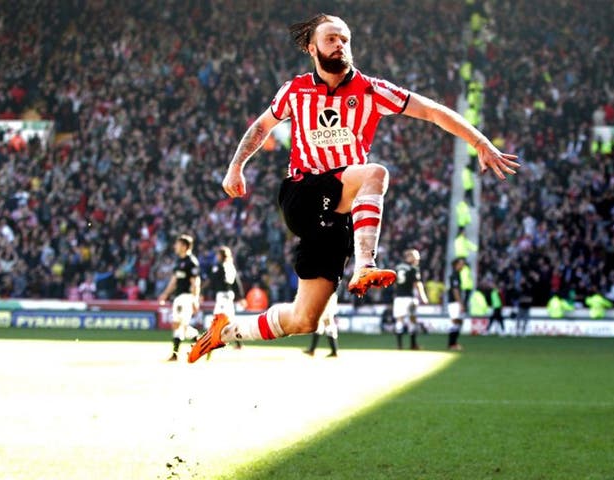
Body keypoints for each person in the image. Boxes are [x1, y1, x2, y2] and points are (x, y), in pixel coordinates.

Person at [188, 13, 519, 363]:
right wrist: (236, 165)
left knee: (305, 319)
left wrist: (480, 142)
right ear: (312, 47)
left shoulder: (371, 90)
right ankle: (365, 264)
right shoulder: (295, 90)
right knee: (375, 172)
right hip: (303, 193)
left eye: (345, 39)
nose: (340, 44)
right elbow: (261, 126)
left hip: (337, 214)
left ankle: (224, 331)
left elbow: (432, 110)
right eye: (331, 38)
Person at [158, 235, 201, 361]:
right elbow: (174, 280)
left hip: (186, 297)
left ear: (184, 246)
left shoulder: (191, 262)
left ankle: (175, 354)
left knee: (178, 324)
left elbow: (195, 282)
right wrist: (165, 293)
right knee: (180, 325)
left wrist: (195, 299)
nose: (175, 247)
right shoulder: (179, 261)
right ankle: (201, 342)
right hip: (178, 296)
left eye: (177, 244)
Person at [208, 246, 245, 349]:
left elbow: (213, 280)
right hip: (229, 295)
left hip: (222, 296)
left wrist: (207, 291)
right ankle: (238, 344)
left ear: (221, 255)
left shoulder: (219, 266)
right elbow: (237, 283)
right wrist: (241, 297)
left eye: (218, 254)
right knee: (231, 320)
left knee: (217, 319)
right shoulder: (231, 267)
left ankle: (211, 342)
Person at [392, 249, 428, 350]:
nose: (418, 258)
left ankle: (399, 346)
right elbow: (418, 284)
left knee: (399, 321)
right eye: (416, 256)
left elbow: (395, 283)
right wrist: (423, 297)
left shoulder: (398, 267)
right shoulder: (413, 268)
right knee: (412, 320)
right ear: (410, 257)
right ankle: (413, 345)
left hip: (398, 298)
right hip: (409, 298)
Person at [303, 292, 339, 358]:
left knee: (329, 327)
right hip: (326, 302)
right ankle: (312, 350)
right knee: (319, 327)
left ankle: (334, 351)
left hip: (328, 304)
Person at [447, 258, 465, 351]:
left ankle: (453, 343)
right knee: (455, 322)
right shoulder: (454, 276)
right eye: (461, 264)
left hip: (455, 302)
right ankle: (452, 344)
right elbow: (455, 290)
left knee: (458, 322)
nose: (463, 265)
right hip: (454, 302)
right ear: (456, 265)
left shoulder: (457, 275)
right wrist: (460, 303)